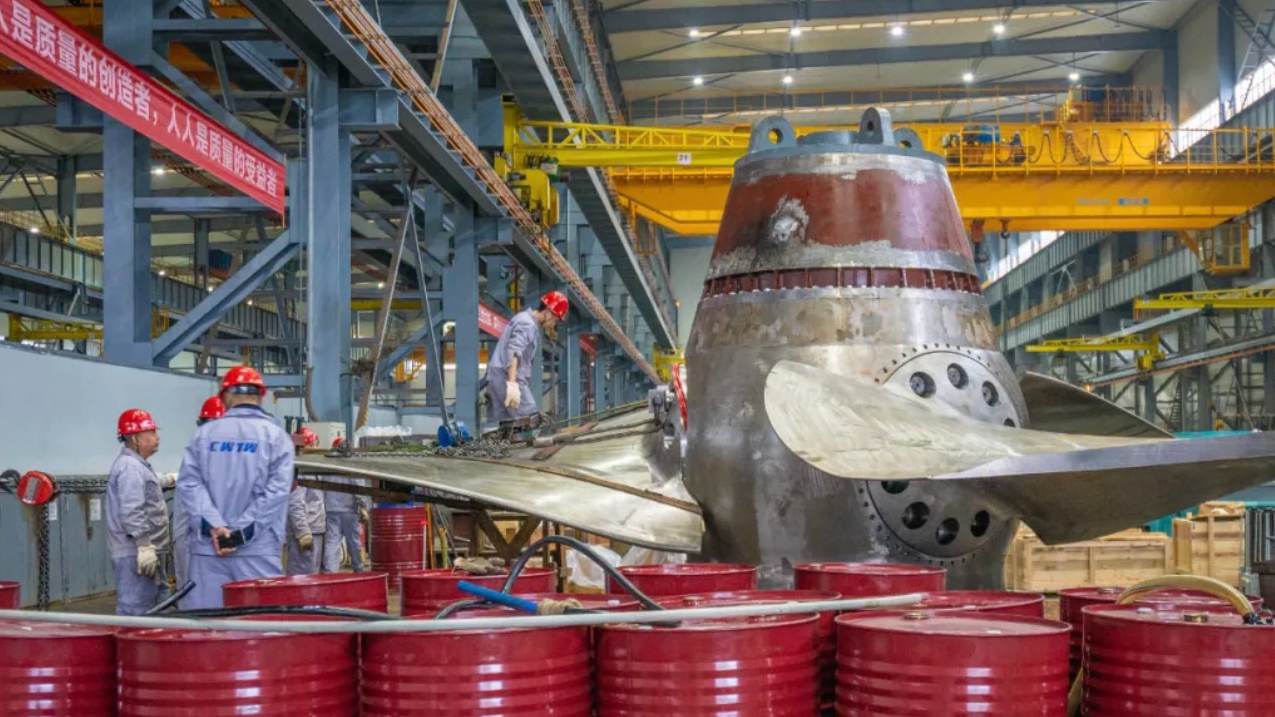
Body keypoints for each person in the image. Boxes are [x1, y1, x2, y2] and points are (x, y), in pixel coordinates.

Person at [177, 366, 295, 609]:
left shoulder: (203, 436)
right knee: (259, 623)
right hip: (257, 550)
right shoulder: (277, 437)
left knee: (207, 624)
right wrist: (241, 533)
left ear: (225, 397)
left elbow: (189, 483)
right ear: (260, 396)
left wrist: (214, 526)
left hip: (209, 551)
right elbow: (276, 492)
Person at [106, 409, 172, 616]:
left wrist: (172, 478)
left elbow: (149, 484)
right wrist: (144, 546)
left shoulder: (138, 466)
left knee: (157, 607)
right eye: (151, 432)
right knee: (136, 612)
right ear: (135, 438)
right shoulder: (130, 468)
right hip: (136, 554)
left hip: (148, 552)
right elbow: (132, 510)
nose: (157, 437)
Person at [483, 291, 569, 428]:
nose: (553, 324)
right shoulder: (527, 324)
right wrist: (512, 383)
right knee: (530, 419)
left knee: (509, 426)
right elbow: (514, 351)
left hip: (497, 377)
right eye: (555, 319)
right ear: (548, 311)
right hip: (507, 377)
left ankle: (510, 442)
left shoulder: (522, 318)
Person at [171, 396, 224, 601]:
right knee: (192, 595)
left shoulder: (211, 454)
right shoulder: (200, 454)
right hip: (190, 537)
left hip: (202, 536)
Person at [323, 438, 370, 573]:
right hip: (349, 510)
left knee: (332, 542)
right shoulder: (351, 465)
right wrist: (363, 507)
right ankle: (358, 570)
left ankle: (331, 572)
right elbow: (358, 488)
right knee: (353, 542)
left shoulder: (328, 467)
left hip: (331, 510)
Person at [285, 428, 326, 576]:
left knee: (312, 574)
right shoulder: (300, 470)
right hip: (306, 533)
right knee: (301, 575)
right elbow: (295, 502)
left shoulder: (312, 469)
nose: (317, 448)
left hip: (315, 528)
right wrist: (303, 532)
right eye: (314, 444)